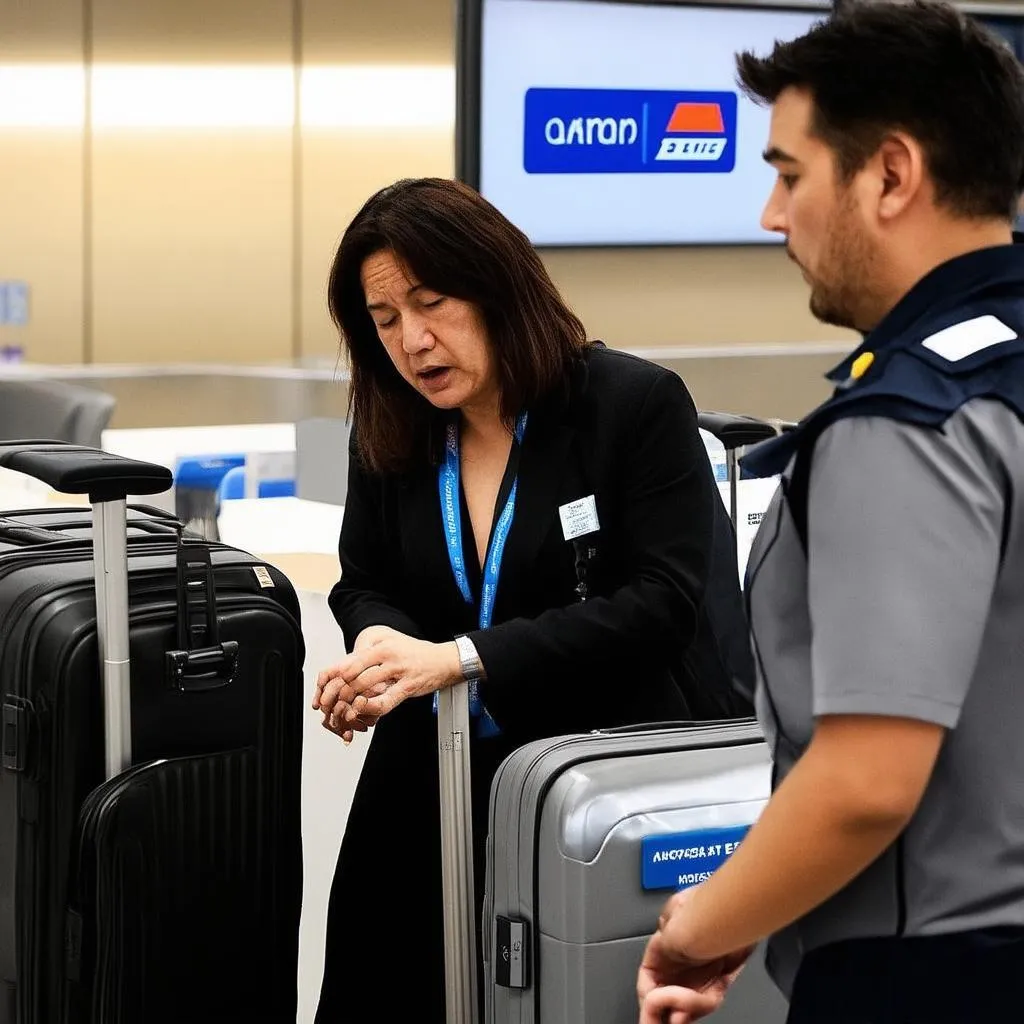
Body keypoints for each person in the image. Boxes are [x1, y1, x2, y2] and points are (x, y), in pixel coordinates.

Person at [636, 2, 1024, 1022]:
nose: (771, 215)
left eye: (789, 173)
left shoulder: (906, 418)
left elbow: (864, 782)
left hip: (938, 974)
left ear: (890, 174)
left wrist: (700, 926)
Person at [310, 177, 750, 1023]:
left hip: (583, 783)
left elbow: (661, 604)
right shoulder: (390, 426)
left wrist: (459, 658)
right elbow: (364, 578)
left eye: (432, 303)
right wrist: (381, 653)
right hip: (425, 780)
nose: (414, 341)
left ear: (499, 287)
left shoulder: (630, 404)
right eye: (385, 318)